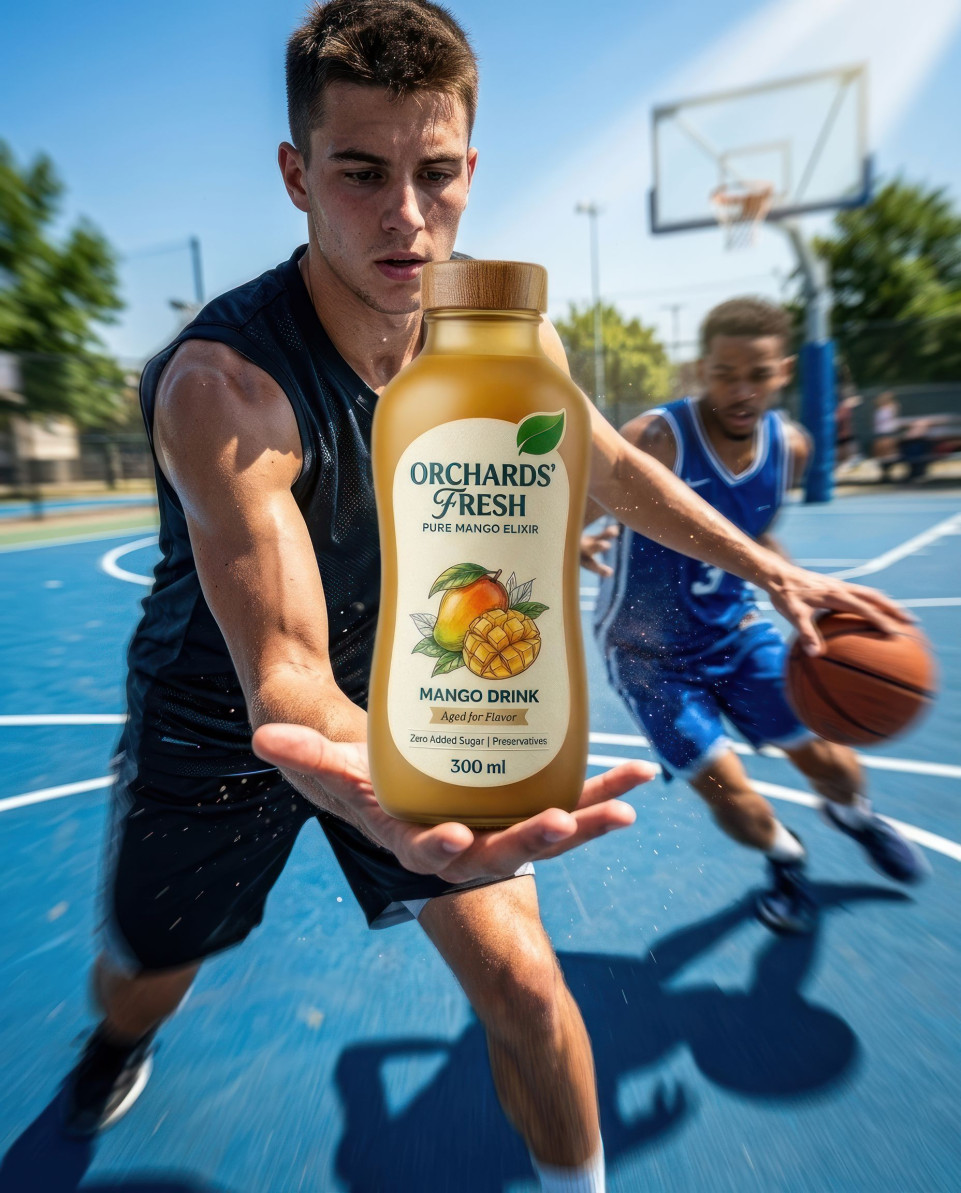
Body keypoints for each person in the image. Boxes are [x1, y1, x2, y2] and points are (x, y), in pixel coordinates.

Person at [60, 7, 907, 1189]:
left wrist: (774, 568)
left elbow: (609, 467)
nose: (406, 215)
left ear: (470, 167)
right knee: (147, 973)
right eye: (361, 173)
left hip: (416, 692)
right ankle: (118, 1039)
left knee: (523, 980)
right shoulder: (226, 383)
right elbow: (288, 670)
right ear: (297, 176)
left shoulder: (505, 343)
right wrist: (396, 781)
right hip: (223, 718)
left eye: (435, 171)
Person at [587, 298, 927, 938]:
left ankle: (853, 816)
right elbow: (578, 506)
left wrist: (791, 590)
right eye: (723, 373)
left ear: (784, 372)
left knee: (832, 761)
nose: (740, 391)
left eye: (757, 374)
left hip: (734, 632)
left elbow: (755, 536)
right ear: (700, 371)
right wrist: (574, 539)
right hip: (647, 656)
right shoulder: (657, 438)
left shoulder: (789, 447)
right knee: (731, 796)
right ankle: (786, 856)